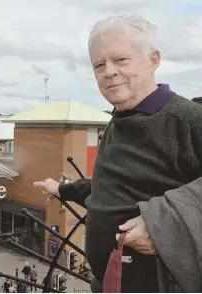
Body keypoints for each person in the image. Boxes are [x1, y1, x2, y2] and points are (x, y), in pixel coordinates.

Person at [34, 15, 202, 293]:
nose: (109, 71)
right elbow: (110, 193)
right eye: (99, 65)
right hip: (112, 282)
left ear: (154, 60)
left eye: (120, 60)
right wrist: (61, 189)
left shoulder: (188, 120)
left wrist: (164, 223)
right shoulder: (119, 120)